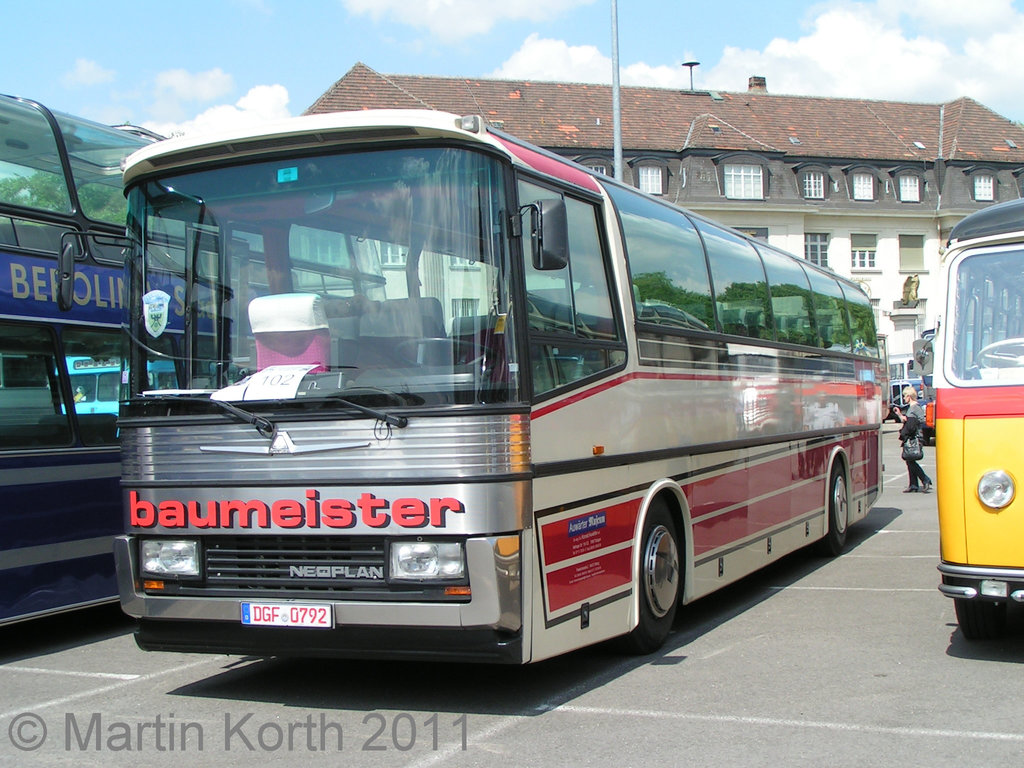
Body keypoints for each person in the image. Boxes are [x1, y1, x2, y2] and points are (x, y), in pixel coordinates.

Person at [897, 385, 931, 493]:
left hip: (914, 437)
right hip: (913, 436)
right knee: (909, 460)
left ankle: (924, 479)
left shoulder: (914, 407)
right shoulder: (912, 408)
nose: (903, 398)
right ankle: (913, 484)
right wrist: (899, 414)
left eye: (904, 396)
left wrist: (904, 433)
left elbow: (911, 424)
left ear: (909, 396)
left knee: (910, 460)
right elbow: (908, 420)